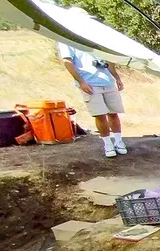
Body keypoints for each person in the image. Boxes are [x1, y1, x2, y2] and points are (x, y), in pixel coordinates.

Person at [57, 7, 127, 159]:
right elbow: (67, 61)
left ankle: (119, 141)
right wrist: (81, 82)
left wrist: (117, 77)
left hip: (107, 81)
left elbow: (108, 60)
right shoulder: (66, 39)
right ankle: (108, 144)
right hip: (89, 83)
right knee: (100, 114)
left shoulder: (95, 37)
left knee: (113, 113)